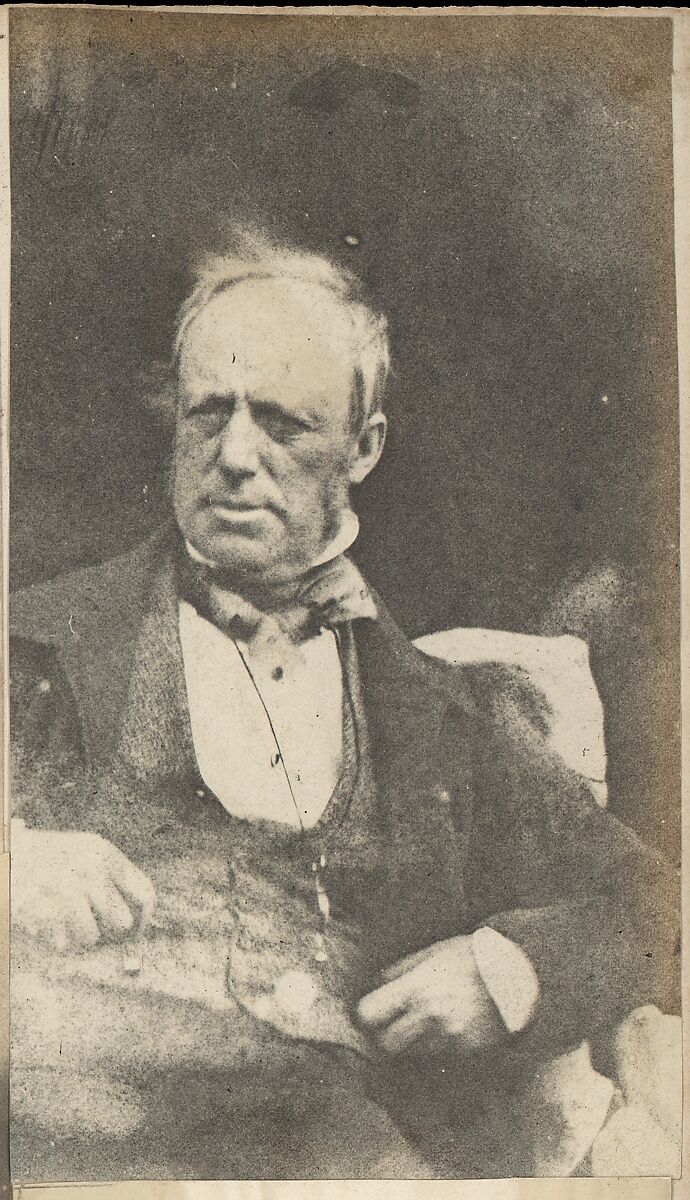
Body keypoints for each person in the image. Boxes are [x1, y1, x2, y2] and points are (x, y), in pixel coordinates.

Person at [10, 229, 679, 1181]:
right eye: (208, 414)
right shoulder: (29, 651)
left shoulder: (450, 719)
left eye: (281, 423)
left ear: (362, 449)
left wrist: (509, 974)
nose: (234, 454)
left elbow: (649, 901)